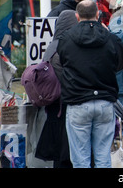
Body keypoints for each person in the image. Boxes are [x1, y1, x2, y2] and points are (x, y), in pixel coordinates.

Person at [56, 0, 123, 168]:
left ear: (76, 16)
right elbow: (120, 63)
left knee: (81, 160)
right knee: (103, 158)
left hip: (78, 102)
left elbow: (62, 61)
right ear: (98, 15)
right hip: (104, 101)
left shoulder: (66, 38)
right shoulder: (110, 38)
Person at [36, 10, 78, 168]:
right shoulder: (64, 47)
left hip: (54, 106)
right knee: (64, 153)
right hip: (63, 107)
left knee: (59, 152)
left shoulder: (53, 45)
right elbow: (66, 77)